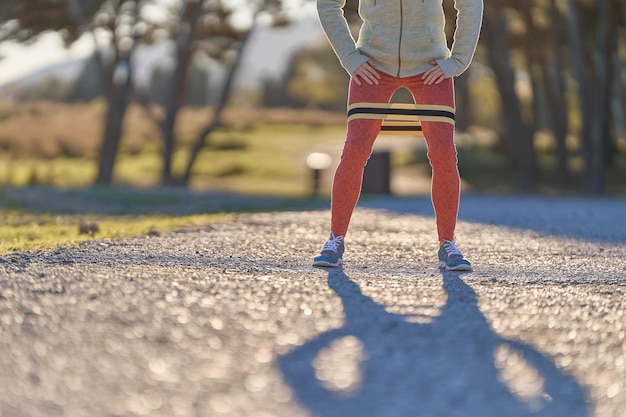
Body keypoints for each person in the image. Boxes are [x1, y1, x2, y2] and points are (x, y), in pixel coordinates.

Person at [312, 0, 483, 271]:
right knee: (355, 150)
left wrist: (458, 61)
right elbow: (328, 4)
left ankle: (447, 244)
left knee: (443, 154)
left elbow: (470, 4)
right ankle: (335, 239)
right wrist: (350, 57)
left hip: (431, 66)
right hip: (372, 66)